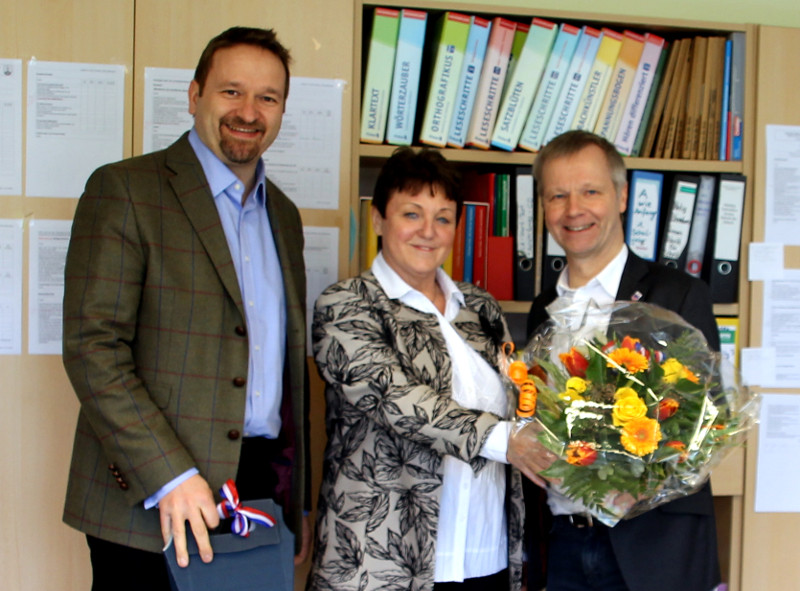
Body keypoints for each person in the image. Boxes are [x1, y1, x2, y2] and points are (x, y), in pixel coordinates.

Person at [61, 26, 310, 590]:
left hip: (255, 493)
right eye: (231, 92)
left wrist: (299, 504)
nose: (249, 111)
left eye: (267, 98)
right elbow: (92, 348)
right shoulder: (125, 191)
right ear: (195, 95)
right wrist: (170, 475)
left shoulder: (285, 217)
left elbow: (289, 375)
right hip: (149, 495)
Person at [306, 147, 549, 591]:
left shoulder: (479, 308)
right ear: (379, 219)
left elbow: (520, 401)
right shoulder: (346, 305)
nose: (428, 231)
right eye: (411, 214)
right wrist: (506, 441)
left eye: (443, 217)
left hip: (484, 556)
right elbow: (396, 399)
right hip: (385, 565)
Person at [524, 130, 721, 591]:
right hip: (561, 547)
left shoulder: (677, 295)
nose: (574, 209)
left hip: (654, 550)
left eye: (590, 191)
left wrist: (641, 481)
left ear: (622, 196)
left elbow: (707, 422)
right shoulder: (542, 309)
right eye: (558, 195)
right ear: (544, 208)